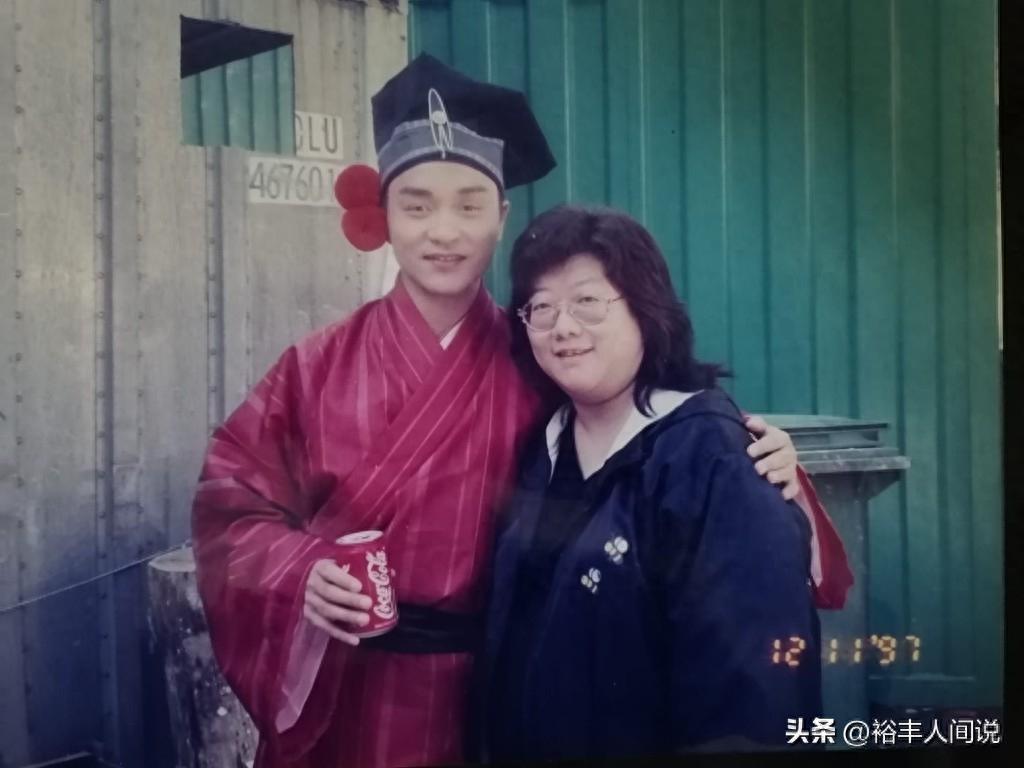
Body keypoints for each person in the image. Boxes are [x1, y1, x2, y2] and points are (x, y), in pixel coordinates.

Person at [191, 55, 848, 768]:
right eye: (417, 205)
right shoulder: (315, 366)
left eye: (470, 206)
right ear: (382, 215)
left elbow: (653, 436)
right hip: (348, 692)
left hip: (489, 694)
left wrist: (767, 465)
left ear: (501, 218)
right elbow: (231, 504)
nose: (444, 231)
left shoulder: (538, 360)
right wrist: (302, 569)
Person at [479, 205, 825, 761]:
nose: (563, 326)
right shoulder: (544, 444)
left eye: (588, 301)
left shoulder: (712, 458)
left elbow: (755, 686)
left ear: (645, 307)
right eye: (541, 307)